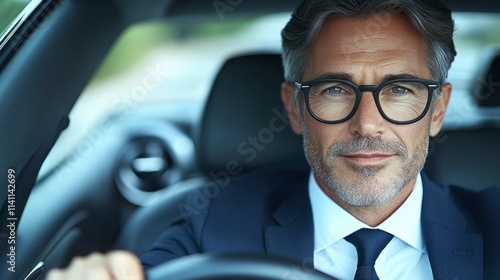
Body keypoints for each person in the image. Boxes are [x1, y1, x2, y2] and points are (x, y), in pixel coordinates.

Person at [47, 0, 500, 279]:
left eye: (399, 90)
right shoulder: (215, 222)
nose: (367, 125)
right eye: (335, 90)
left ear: (438, 108)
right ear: (293, 107)